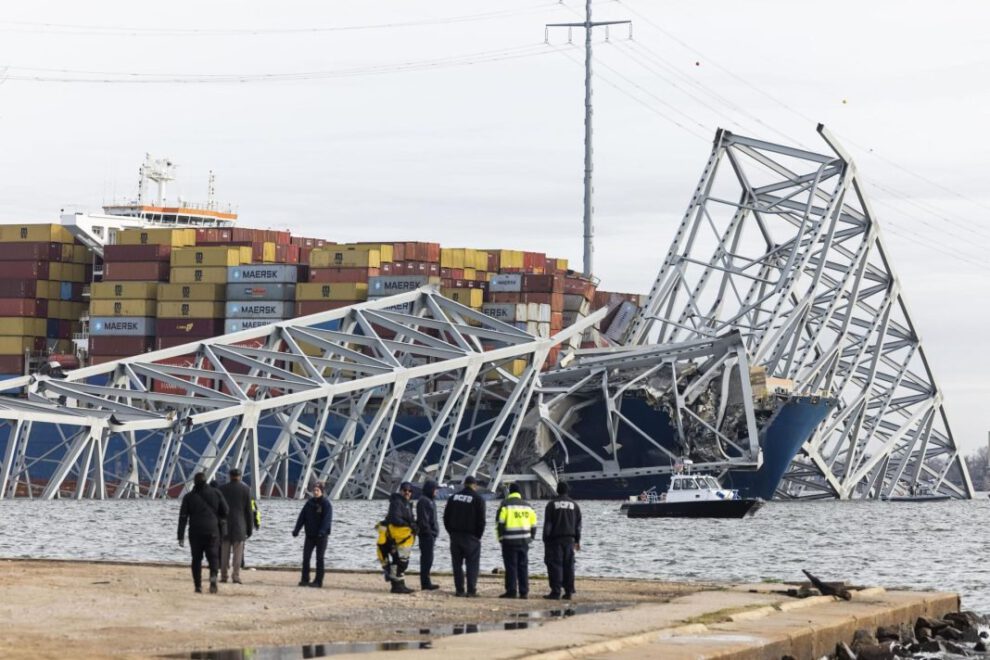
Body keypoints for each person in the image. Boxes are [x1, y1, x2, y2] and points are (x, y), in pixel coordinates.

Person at [177, 472, 229, 594]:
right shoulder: (216, 493)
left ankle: (198, 586)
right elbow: (226, 510)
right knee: (213, 557)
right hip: (212, 530)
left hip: (195, 532)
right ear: (206, 481)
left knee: (196, 559)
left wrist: (180, 536)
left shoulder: (188, 497)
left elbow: (183, 518)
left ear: (194, 482)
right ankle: (213, 580)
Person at [443, 475, 486, 597]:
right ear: (475, 486)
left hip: (455, 536)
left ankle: (459, 590)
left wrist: (451, 532)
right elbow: (481, 521)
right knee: (472, 564)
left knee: (457, 564)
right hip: (471, 537)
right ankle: (471, 590)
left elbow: (446, 517)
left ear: (464, 485)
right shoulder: (478, 499)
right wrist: (478, 536)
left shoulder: (453, 498)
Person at [496, 483, 537, 599]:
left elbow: (500, 523)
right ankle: (524, 592)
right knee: (523, 566)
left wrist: (500, 538)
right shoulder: (527, 506)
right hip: (524, 541)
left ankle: (511, 591)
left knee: (511, 566)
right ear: (520, 492)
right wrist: (531, 538)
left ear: (510, 492)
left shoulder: (505, 505)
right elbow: (533, 524)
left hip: (509, 541)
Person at [543, 481, 582, 600]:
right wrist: (577, 540)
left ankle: (556, 591)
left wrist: (545, 539)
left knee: (555, 565)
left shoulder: (551, 505)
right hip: (570, 540)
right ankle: (569, 591)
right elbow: (578, 525)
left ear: (557, 490)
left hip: (555, 540)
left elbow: (548, 524)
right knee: (569, 566)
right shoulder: (575, 505)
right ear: (567, 490)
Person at [377, 482, 417, 594]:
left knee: (400, 561)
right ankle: (396, 586)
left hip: (401, 538)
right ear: (400, 491)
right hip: (395, 538)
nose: (407, 493)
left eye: (409, 491)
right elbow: (395, 519)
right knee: (400, 562)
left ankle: (400, 584)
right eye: (405, 490)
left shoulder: (406, 503)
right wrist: (409, 525)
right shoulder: (397, 502)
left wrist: (413, 525)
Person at [292, 482, 333, 588]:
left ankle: (318, 581)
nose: (315, 492)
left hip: (321, 537)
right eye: (314, 490)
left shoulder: (326, 504)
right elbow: (302, 517)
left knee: (319, 558)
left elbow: (327, 520)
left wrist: (322, 532)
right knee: (306, 557)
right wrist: (296, 530)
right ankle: (305, 579)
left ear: (321, 491)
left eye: (317, 490)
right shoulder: (309, 503)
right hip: (310, 535)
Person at [218, 468, 254, 584]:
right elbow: (249, 511)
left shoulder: (222, 489)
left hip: (225, 526)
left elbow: (218, 509)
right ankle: (236, 576)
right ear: (240, 476)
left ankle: (224, 576)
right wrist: (250, 529)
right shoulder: (246, 489)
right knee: (238, 554)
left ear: (229, 476)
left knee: (224, 553)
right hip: (240, 526)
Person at [416, 480, 441, 591]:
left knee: (429, 559)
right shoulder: (424, 501)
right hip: (426, 535)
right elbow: (423, 520)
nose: (437, 491)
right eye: (435, 489)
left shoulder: (430, 500)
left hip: (431, 534)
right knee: (426, 559)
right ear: (430, 489)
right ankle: (425, 583)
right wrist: (429, 533)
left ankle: (427, 581)